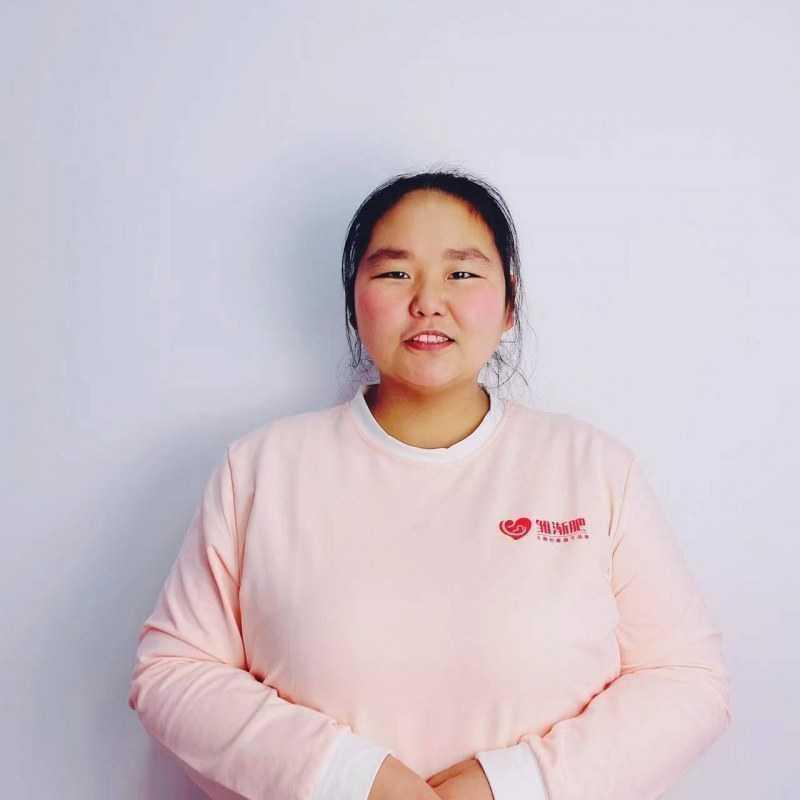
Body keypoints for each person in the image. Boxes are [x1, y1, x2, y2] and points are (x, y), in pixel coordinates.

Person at [128, 169, 732, 800]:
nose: (427, 301)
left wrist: (511, 786)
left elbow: (687, 680)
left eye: (462, 273)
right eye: (395, 272)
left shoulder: (593, 469)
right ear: (353, 301)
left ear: (510, 306)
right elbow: (173, 671)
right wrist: (352, 780)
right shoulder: (262, 468)